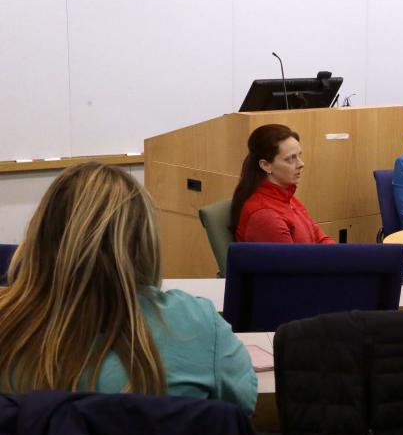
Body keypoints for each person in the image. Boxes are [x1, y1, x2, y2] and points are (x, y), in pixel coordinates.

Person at [0, 162, 257, 415]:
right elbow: (242, 404)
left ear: (40, 235)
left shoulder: (8, 323)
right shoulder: (196, 323)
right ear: (145, 240)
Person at [232, 123, 335, 243]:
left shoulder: (286, 196)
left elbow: (318, 237)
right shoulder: (265, 216)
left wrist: (342, 256)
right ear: (266, 165)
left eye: (299, 156)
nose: (301, 164)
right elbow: (291, 261)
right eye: (291, 158)